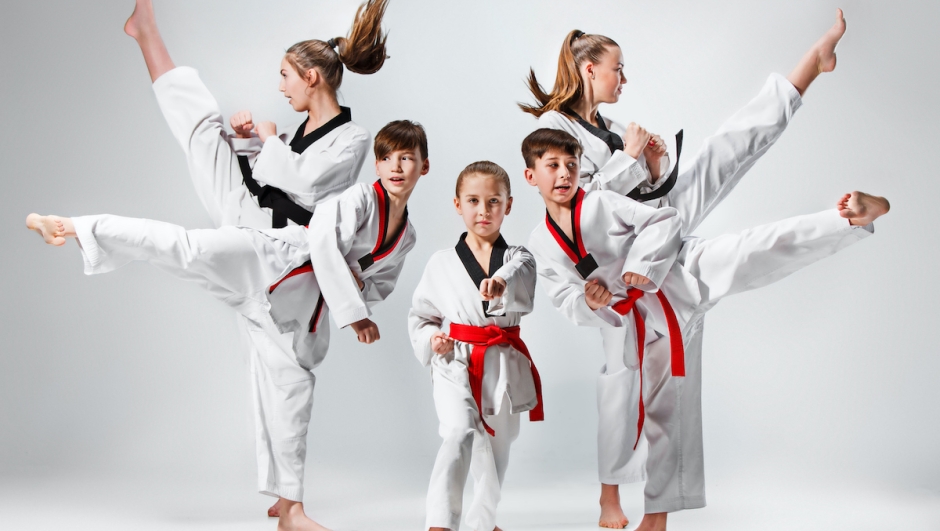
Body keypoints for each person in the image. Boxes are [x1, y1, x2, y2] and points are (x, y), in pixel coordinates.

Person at [520, 10, 850, 527]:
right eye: (617, 69)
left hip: (650, 229)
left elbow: (624, 194)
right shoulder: (553, 130)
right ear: (588, 69)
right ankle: (618, 502)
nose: (624, 79)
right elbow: (579, 207)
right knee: (628, 391)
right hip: (616, 263)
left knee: (723, 150)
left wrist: (651, 166)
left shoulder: (605, 127)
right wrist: (630, 160)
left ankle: (808, 68)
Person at [26, 120, 430, 531]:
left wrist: (358, 295)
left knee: (294, 394)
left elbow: (380, 284)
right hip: (267, 261)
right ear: (376, 165)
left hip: (296, 311)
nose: (395, 167)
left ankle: (290, 509)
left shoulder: (407, 235)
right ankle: (73, 225)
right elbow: (323, 241)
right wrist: (355, 311)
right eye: (385, 158)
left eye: (406, 159)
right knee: (186, 248)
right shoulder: (360, 197)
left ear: (424, 167)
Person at [124, 0, 390, 518]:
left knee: (283, 374)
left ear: (312, 77)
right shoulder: (296, 135)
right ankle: (146, 35)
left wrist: (267, 142)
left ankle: (286, 500)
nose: (281, 85)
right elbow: (276, 171)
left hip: (276, 245)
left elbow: (307, 184)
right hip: (249, 210)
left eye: (286, 76)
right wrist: (249, 139)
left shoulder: (353, 138)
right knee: (204, 130)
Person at [408, 162, 541, 531]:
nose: (483, 210)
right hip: (454, 360)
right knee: (459, 430)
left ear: (508, 205)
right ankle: (440, 522)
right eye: (473, 201)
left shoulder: (519, 257)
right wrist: (430, 338)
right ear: (457, 204)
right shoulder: (441, 263)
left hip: (502, 362)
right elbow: (422, 316)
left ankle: (484, 523)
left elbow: (518, 275)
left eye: (493, 201)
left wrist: (498, 282)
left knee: (497, 450)